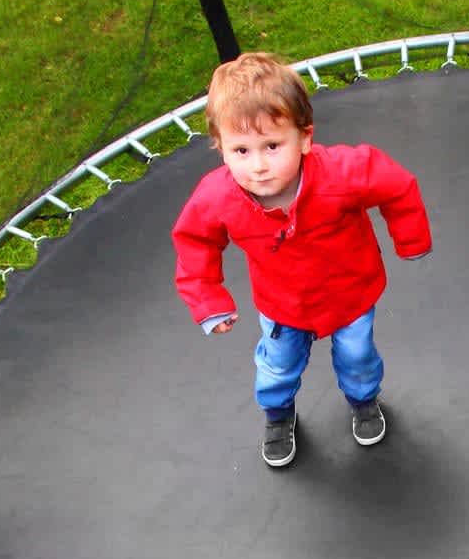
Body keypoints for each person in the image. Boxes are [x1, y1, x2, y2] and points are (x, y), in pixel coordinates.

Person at [172, 52, 432, 467]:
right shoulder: (216, 196)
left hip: (351, 293)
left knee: (358, 357)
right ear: (220, 148)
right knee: (277, 368)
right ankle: (278, 415)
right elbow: (194, 242)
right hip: (283, 306)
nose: (258, 166)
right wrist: (208, 301)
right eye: (241, 150)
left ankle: (364, 402)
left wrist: (411, 238)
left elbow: (396, 185)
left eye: (272, 146)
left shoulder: (341, 173)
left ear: (305, 137)